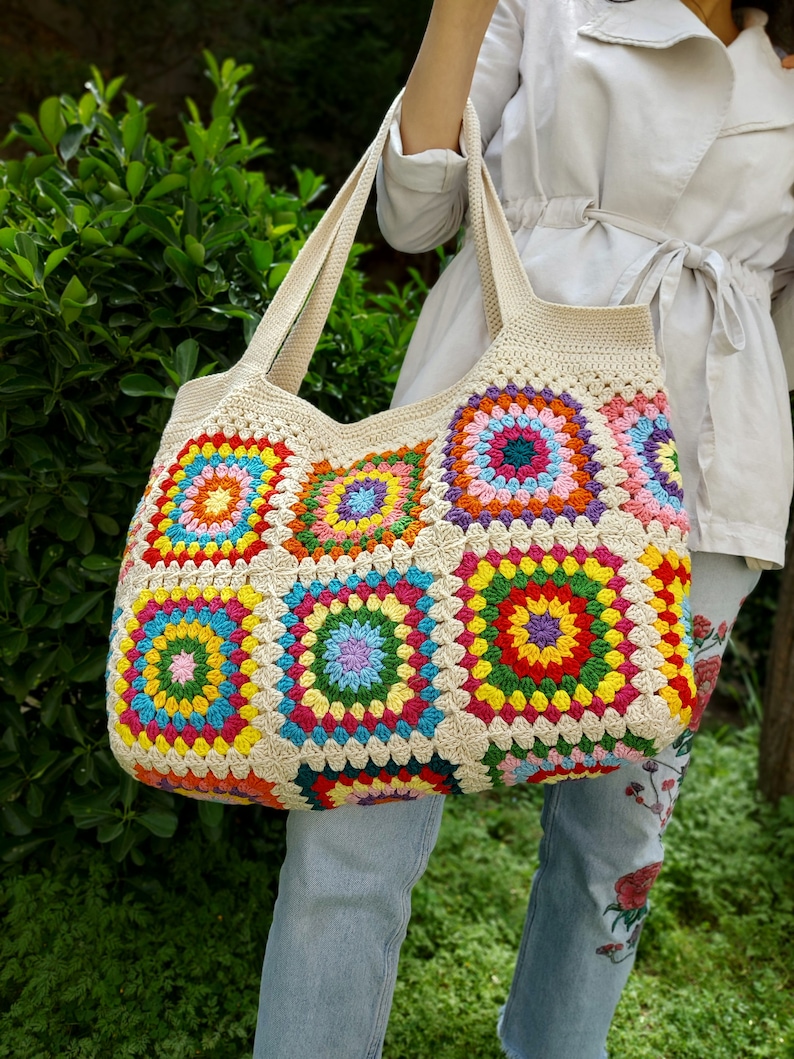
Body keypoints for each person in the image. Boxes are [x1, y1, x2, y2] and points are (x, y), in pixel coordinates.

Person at [253, 3, 794, 1056]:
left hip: (697, 484)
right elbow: (412, 216)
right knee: (355, 807)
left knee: (612, 848)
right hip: (476, 448)